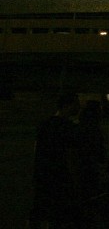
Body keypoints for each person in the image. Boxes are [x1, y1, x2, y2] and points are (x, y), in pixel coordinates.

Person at [30, 92, 81, 228]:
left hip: (43, 175)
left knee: (42, 212)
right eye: (76, 104)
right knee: (59, 215)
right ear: (67, 105)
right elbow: (70, 154)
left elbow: (37, 149)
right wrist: (75, 178)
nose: (79, 107)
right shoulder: (69, 127)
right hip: (61, 177)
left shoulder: (44, 124)